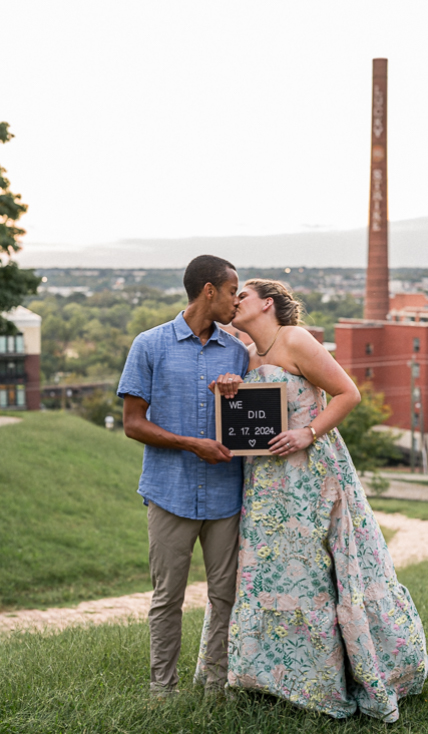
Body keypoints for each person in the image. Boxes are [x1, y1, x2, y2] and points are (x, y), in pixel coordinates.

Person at [193, 278, 428, 721]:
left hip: (312, 471)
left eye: (241, 295)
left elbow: (348, 393)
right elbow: (244, 418)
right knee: (272, 571)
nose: (234, 300)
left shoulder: (295, 339)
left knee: (319, 569)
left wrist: (308, 431)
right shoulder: (246, 353)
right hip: (264, 480)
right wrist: (227, 386)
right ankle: (275, 677)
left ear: (267, 304)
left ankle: (333, 679)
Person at [117, 254, 250, 695]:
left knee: (224, 598)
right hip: (168, 493)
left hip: (224, 497)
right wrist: (193, 444)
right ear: (208, 291)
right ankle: (163, 691)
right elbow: (133, 423)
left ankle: (216, 688)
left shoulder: (237, 354)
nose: (237, 301)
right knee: (167, 599)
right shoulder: (149, 345)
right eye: (232, 291)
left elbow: (248, 422)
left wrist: (237, 391)